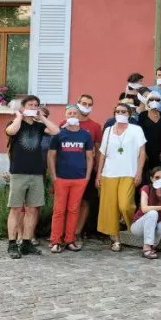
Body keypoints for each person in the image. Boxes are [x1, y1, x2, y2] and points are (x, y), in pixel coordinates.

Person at [4, 96, 59, 258]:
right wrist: (19, 117)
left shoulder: (39, 127)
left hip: (36, 173)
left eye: (36, 105)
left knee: (33, 209)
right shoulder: (15, 124)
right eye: (30, 105)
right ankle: (12, 244)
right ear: (23, 106)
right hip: (19, 172)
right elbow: (11, 131)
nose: (34, 107)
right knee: (15, 209)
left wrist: (41, 117)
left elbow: (56, 131)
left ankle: (27, 243)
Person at [96, 102, 147, 252]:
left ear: (129, 114)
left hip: (128, 173)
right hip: (109, 173)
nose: (120, 113)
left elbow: (142, 153)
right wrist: (98, 174)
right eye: (118, 111)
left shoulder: (136, 130)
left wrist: (139, 171)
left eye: (123, 111)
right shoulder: (108, 130)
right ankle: (116, 239)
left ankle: (133, 227)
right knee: (110, 208)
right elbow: (103, 154)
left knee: (125, 205)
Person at [47, 106, 95, 253]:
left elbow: (89, 156)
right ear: (65, 116)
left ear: (79, 116)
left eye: (75, 113)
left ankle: (69, 240)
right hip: (61, 178)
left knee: (74, 210)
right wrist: (54, 176)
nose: (72, 115)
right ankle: (55, 241)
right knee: (59, 211)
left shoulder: (85, 135)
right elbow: (51, 156)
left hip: (79, 179)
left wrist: (87, 177)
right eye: (70, 113)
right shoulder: (58, 134)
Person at [67, 95, 103, 248]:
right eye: (83, 103)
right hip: (67, 170)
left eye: (89, 104)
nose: (86, 106)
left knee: (85, 202)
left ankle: (77, 232)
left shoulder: (95, 126)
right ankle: (64, 232)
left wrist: (97, 169)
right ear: (78, 104)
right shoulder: (65, 123)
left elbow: (98, 148)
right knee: (68, 202)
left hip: (87, 170)